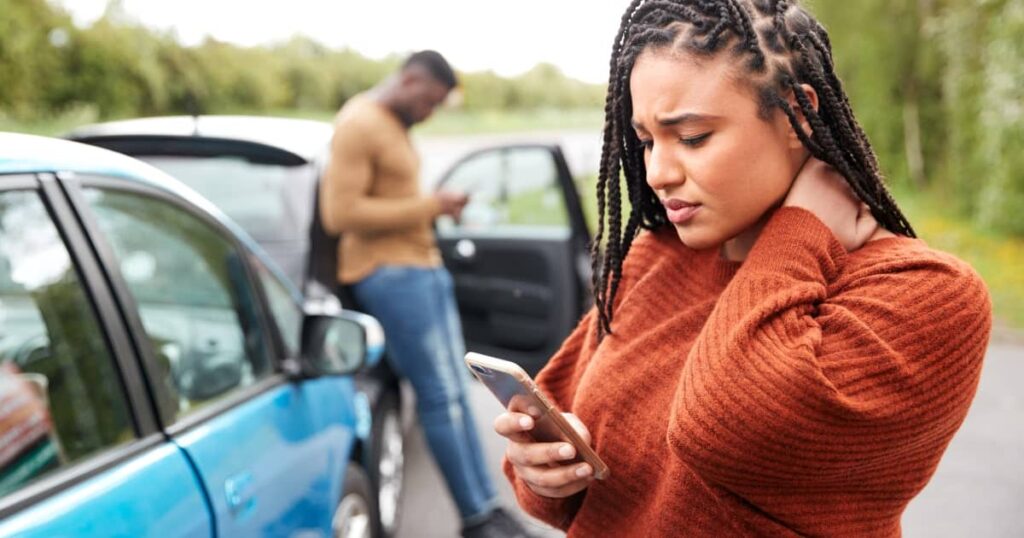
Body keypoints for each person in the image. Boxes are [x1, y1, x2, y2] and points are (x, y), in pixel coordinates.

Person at [493, 1, 992, 536]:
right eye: (645, 141)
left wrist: (800, 230)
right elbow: (570, 476)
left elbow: (724, 429)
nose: (657, 172)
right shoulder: (655, 258)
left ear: (797, 115)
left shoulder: (927, 294)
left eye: (691, 137)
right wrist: (543, 475)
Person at [319, 51, 533, 538]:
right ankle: (476, 520)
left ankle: (491, 510)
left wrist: (433, 209)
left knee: (457, 394)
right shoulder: (359, 122)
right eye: (429, 101)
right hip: (389, 274)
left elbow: (395, 201)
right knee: (439, 397)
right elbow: (340, 213)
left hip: (421, 268)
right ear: (411, 78)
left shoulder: (394, 126)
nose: (429, 113)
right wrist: (429, 205)